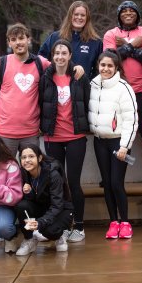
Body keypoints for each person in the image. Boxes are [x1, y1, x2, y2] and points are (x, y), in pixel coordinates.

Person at [0, 23, 83, 157]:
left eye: (21, 38)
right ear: (9, 43)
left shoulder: (40, 63)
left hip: (31, 133)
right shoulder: (0, 64)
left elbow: (60, 65)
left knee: (31, 172)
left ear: (28, 39)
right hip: (5, 133)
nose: (18, 42)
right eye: (13, 40)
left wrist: (76, 67)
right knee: (5, 172)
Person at [103, 0, 142, 184]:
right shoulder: (111, 34)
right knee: (118, 134)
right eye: (124, 11)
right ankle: (113, 177)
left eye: (132, 11)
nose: (128, 14)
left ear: (138, 14)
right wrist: (134, 45)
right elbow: (111, 59)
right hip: (117, 92)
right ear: (119, 15)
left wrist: (126, 47)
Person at [39, 39, 91, 243]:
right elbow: (39, 102)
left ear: (70, 55)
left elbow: (87, 101)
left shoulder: (79, 76)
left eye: (64, 53)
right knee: (55, 183)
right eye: (56, 53)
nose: (60, 57)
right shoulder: (46, 77)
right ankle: (57, 225)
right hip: (53, 137)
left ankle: (78, 225)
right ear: (52, 56)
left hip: (76, 137)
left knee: (73, 182)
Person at [88, 50, 138, 239]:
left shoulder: (124, 88)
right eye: (103, 65)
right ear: (98, 66)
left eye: (110, 65)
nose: (106, 69)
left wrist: (125, 146)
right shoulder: (92, 85)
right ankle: (113, 222)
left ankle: (125, 222)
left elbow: (131, 120)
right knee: (107, 183)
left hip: (119, 143)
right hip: (100, 141)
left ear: (116, 67)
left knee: (117, 183)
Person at [14, 144, 74, 256]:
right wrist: (29, 193)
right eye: (23, 157)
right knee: (21, 206)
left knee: (50, 231)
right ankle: (29, 239)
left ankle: (60, 235)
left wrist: (41, 222)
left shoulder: (52, 174)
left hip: (60, 209)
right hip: (42, 207)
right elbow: (33, 198)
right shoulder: (23, 173)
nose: (27, 160)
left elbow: (57, 205)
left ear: (39, 158)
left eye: (31, 156)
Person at [39, 0, 103, 78]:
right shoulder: (55, 37)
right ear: (70, 16)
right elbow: (41, 60)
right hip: (58, 87)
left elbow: (99, 68)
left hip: (83, 88)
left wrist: (89, 83)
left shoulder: (95, 42)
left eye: (82, 15)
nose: (79, 17)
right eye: (76, 14)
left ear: (87, 18)